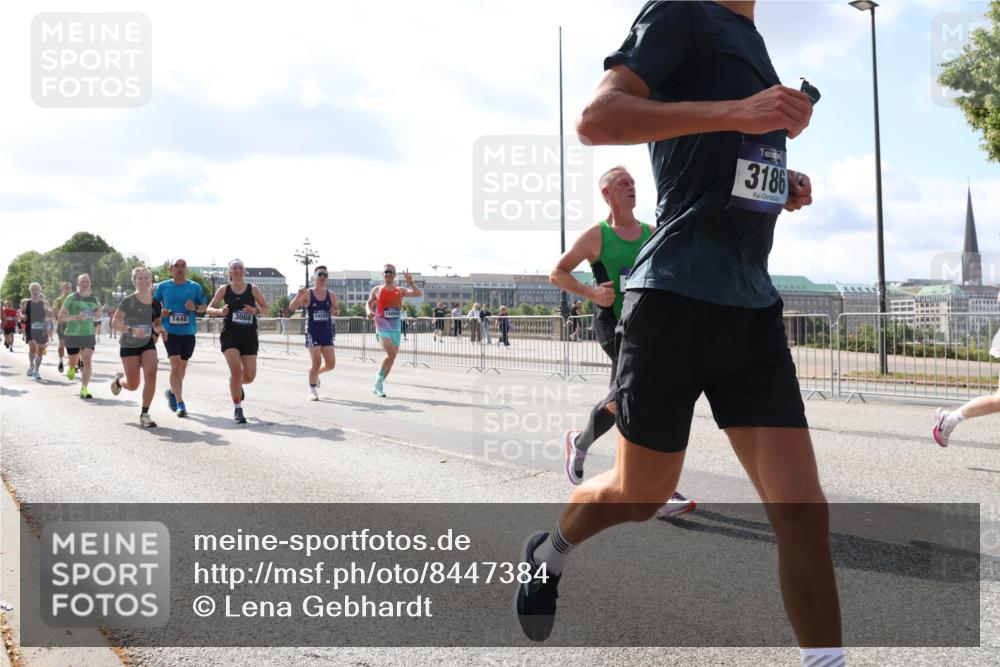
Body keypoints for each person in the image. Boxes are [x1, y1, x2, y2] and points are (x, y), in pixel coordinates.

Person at [515, 4, 842, 666]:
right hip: (673, 299)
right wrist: (740, 112)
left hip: (751, 306)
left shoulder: (751, 39)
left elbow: (711, 170)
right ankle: (549, 550)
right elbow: (596, 120)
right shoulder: (681, 13)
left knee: (804, 513)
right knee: (639, 495)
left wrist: (778, 185)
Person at [551, 166, 694, 517]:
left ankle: (583, 443)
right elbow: (558, 272)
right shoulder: (597, 236)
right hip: (611, 322)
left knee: (626, 397)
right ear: (606, 194)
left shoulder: (650, 231)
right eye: (622, 183)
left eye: (632, 183)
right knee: (638, 394)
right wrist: (590, 292)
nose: (631, 187)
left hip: (647, 325)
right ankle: (653, 488)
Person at [207, 259, 267, 423]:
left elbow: (265, 308)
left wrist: (255, 310)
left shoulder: (253, 289)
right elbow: (209, 309)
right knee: (235, 372)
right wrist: (220, 311)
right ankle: (238, 408)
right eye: (235, 268)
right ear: (230, 272)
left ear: (244, 271)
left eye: (240, 268)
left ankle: (237, 384)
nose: (238, 270)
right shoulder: (224, 289)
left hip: (249, 336)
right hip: (230, 336)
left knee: (249, 376)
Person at [110, 267, 164, 428]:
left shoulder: (156, 303)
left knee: (151, 375)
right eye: (139, 278)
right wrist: (132, 330)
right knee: (133, 385)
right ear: (134, 282)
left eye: (146, 278)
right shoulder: (128, 301)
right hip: (129, 344)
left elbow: (157, 324)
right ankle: (119, 381)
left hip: (147, 344)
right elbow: (115, 323)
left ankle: (145, 414)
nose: (143, 281)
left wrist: (160, 331)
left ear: (151, 280)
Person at [154, 259, 208, 418]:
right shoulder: (163, 286)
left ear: (187, 269)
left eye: (182, 266)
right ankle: (180, 403)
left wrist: (195, 307)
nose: (179, 269)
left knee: (182, 367)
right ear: (171, 269)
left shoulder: (194, 287)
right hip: (169, 332)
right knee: (175, 364)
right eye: (176, 266)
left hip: (188, 332)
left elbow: (204, 306)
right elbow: (153, 306)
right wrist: (160, 312)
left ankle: (172, 391)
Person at [366, 265, 422, 397]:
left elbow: (418, 294)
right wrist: (369, 311)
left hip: (396, 328)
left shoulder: (400, 290)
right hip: (381, 325)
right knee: (390, 354)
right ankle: (379, 375)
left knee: (392, 358)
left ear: (395, 275)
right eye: (386, 272)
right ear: (383, 274)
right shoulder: (377, 289)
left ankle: (378, 385)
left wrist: (411, 283)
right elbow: (368, 303)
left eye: (391, 272)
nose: (388, 274)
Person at [288, 266, 339, 401]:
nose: (322, 278)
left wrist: (334, 311)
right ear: (314, 277)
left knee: (331, 364)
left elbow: (336, 311)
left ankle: (315, 374)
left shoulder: (331, 295)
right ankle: (312, 390)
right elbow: (292, 308)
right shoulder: (308, 294)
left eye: (325, 275)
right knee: (316, 362)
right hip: (313, 332)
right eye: (320, 274)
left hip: (327, 333)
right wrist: (298, 296)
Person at [58, 273, 102, 398]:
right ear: (78, 284)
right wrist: (76, 317)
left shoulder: (94, 299)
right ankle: (71, 368)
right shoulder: (71, 297)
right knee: (73, 360)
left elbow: (98, 313)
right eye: (82, 281)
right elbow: (61, 317)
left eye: (87, 281)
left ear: (90, 283)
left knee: (87, 361)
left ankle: (84, 389)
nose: (85, 283)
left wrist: (98, 313)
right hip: (72, 334)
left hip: (88, 334)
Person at [19, 283, 52, 380]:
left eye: (36, 289)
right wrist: (22, 316)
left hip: (42, 330)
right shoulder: (26, 302)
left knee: (40, 350)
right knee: (33, 347)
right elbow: (21, 313)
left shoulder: (45, 303)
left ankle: (36, 370)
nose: (35, 290)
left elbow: (50, 315)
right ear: (30, 291)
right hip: (30, 329)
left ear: (40, 290)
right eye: (33, 289)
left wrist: (49, 317)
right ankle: (31, 365)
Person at [51, 282, 72, 372]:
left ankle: (74, 362)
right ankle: (61, 361)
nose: (67, 289)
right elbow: (55, 312)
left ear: (71, 289)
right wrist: (64, 312)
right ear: (62, 289)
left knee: (74, 345)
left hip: (73, 325)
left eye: (68, 288)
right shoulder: (58, 300)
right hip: (62, 324)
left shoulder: (74, 299)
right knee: (62, 345)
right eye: (65, 288)